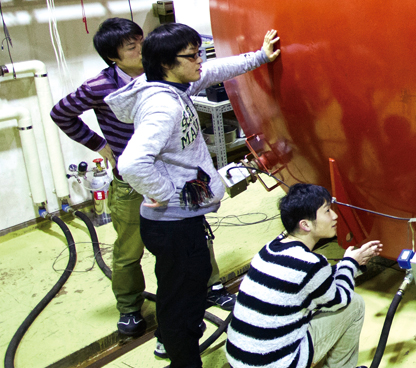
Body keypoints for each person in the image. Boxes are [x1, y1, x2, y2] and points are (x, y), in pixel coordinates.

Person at [49, 18, 237, 338]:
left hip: (179, 180)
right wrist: (100, 145)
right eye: (131, 47)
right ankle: (130, 307)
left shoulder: (166, 74)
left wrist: (259, 55)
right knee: (128, 250)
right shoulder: (100, 87)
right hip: (133, 181)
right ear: (114, 58)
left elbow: (213, 70)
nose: (141, 48)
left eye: (141, 40)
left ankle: (210, 286)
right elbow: (61, 112)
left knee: (197, 236)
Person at [106, 23, 281, 367]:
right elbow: (131, 163)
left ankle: (171, 343)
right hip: (173, 224)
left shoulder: (174, 85)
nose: (200, 60)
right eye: (192, 55)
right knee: (184, 299)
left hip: (179, 221)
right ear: (167, 63)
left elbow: (216, 69)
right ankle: (182, 359)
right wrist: (164, 193)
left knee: (179, 292)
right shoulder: (163, 106)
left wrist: (260, 57)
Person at [226, 183, 382, 368]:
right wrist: (350, 263)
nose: (334, 216)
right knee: (354, 305)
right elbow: (340, 298)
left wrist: (353, 264)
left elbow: (313, 284)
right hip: (275, 363)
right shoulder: (311, 263)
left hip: (240, 357)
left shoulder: (269, 250)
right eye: (327, 211)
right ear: (305, 224)